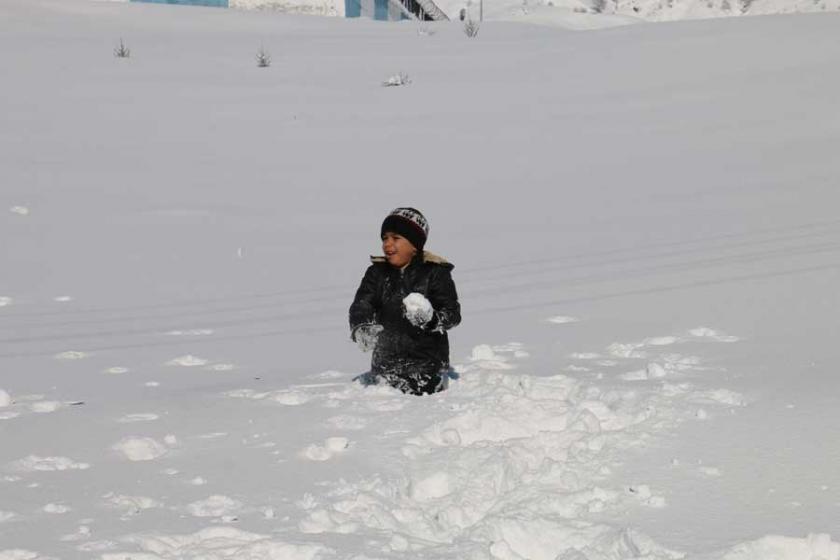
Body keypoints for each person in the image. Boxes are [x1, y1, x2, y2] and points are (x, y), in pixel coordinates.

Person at [349, 208, 461, 395]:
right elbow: (362, 304)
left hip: (426, 367)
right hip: (385, 366)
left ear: (415, 245)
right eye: (384, 238)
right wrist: (362, 326)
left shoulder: (435, 273)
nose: (387, 244)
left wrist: (431, 319)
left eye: (395, 238)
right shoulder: (376, 273)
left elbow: (452, 313)